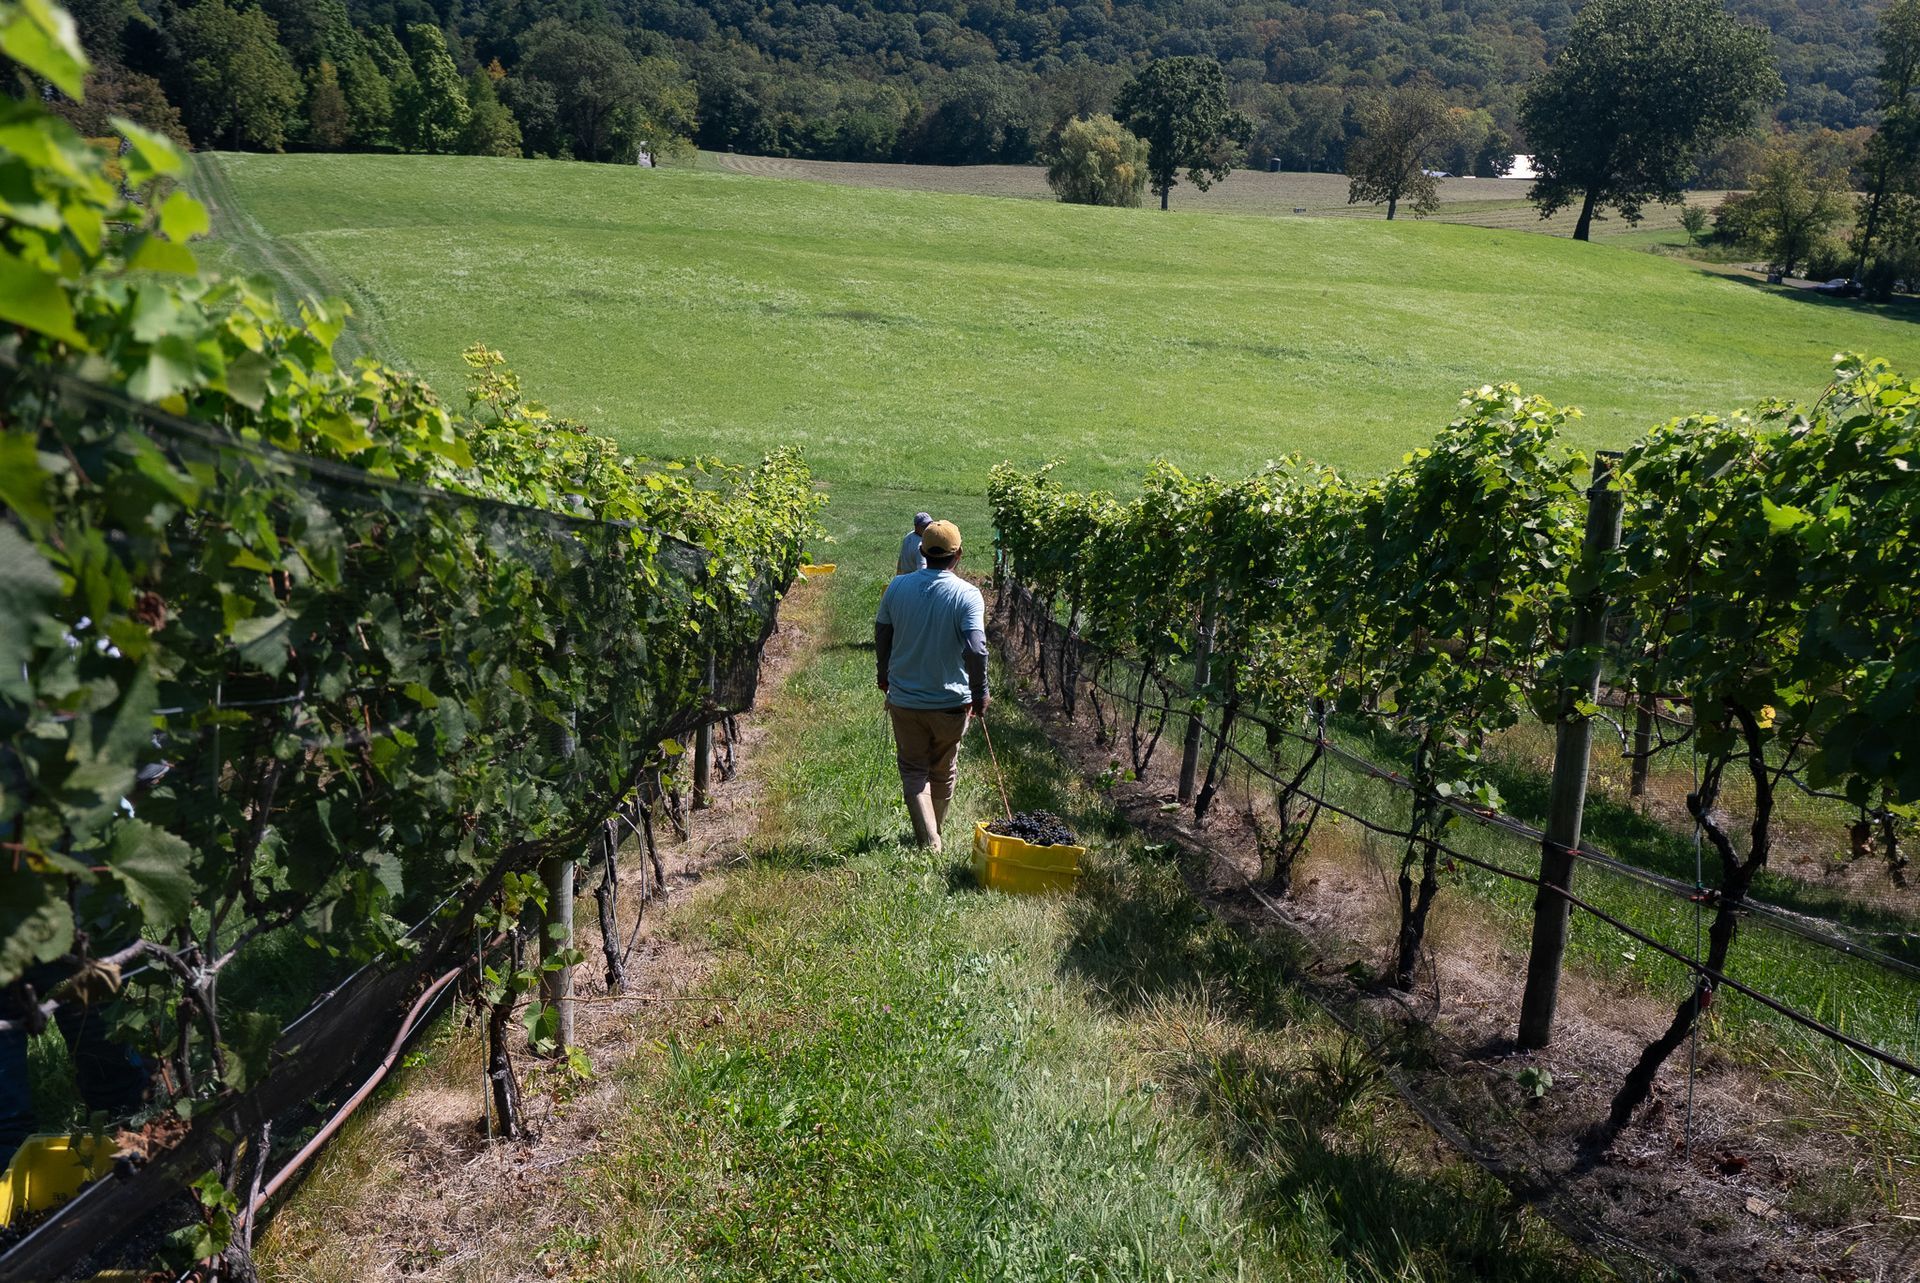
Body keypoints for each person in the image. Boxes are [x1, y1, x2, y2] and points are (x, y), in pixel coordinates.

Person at [874, 520, 988, 852]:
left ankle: (929, 841)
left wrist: (884, 674)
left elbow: (882, 633)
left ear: (922, 551)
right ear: (959, 554)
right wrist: (980, 692)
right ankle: (933, 837)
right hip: (951, 703)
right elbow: (977, 648)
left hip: (906, 700)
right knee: (943, 769)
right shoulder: (968, 595)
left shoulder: (897, 587)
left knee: (913, 770)